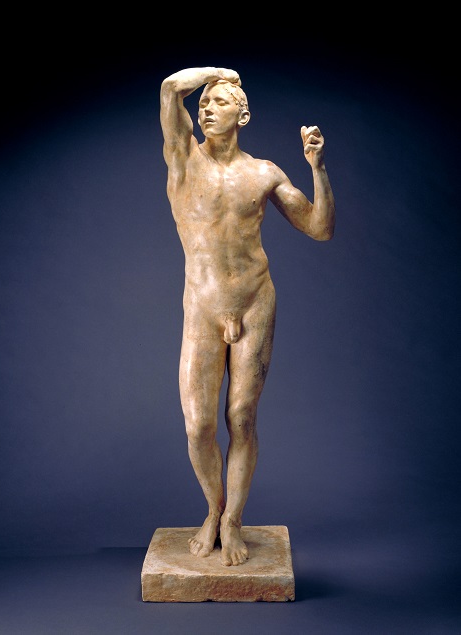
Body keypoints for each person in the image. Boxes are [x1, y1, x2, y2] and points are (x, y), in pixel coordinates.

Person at [160, 67, 335, 566]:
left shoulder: (264, 173)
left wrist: (318, 167)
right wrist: (217, 74)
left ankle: (232, 520)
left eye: (219, 101)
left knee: (241, 416)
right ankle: (212, 508)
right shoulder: (183, 159)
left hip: (255, 300)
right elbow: (171, 88)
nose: (206, 108)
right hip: (203, 305)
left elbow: (320, 228)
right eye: (204, 103)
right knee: (198, 426)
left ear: (243, 115)